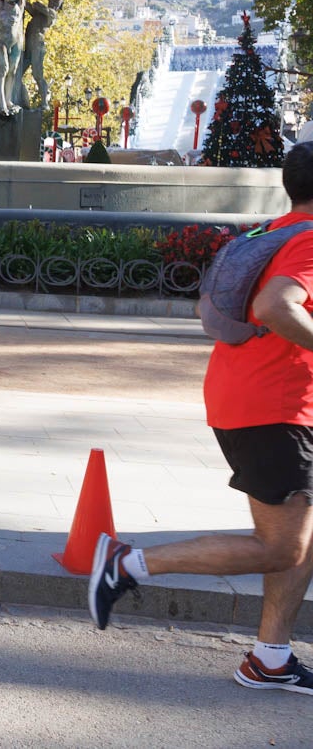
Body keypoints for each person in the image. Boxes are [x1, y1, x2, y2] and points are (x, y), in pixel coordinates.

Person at [91, 140, 313, 692]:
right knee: (282, 546)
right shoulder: (309, 240)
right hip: (276, 408)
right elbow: (274, 306)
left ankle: (271, 658)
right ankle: (125, 564)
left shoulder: (274, 231)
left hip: (255, 397)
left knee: (302, 532)